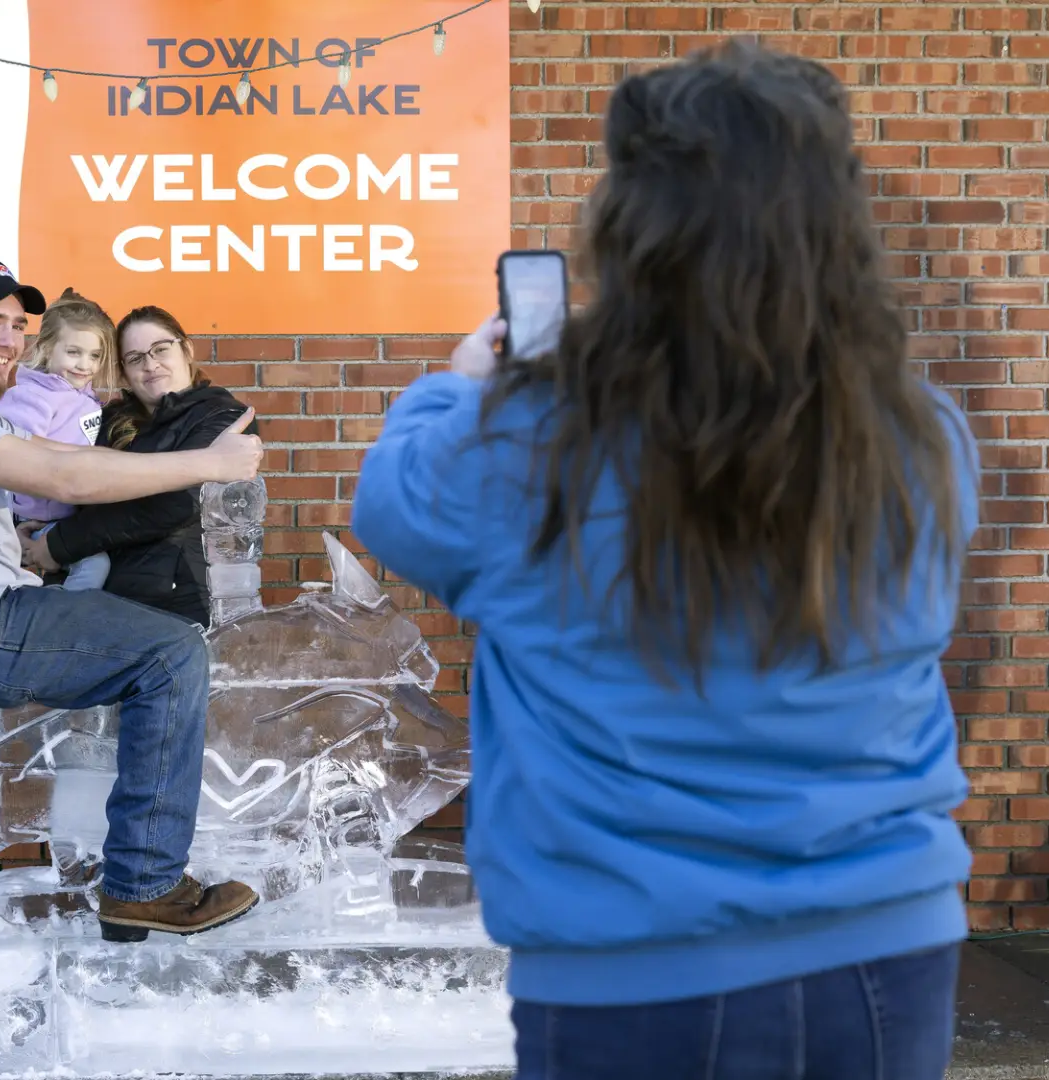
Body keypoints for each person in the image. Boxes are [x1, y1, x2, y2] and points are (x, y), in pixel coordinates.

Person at [351, 41, 980, 1079]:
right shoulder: (919, 436)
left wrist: (463, 384)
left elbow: (393, 504)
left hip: (629, 979)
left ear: (632, 231)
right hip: (885, 951)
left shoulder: (525, 445)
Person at [0, 257, 261, 941]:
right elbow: (65, 474)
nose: (8, 339)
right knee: (170, 654)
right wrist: (210, 465)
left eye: (18, 325)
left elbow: (71, 464)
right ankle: (147, 885)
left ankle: (133, 915)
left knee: (156, 650)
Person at [20, 306, 258, 627]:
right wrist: (31, 524)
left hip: (168, 607)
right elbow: (64, 474)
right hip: (87, 599)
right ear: (123, 372)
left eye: (161, 349)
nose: (150, 364)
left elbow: (170, 504)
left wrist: (59, 543)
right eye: (135, 358)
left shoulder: (223, 418)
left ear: (186, 350)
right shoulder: (107, 419)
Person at [0, 287, 117, 592]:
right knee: (95, 563)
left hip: (67, 516)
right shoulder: (33, 396)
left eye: (95, 356)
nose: (85, 365)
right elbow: (13, 454)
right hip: (35, 517)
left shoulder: (85, 397)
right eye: (73, 352)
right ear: (47, 348)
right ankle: (66, 607)